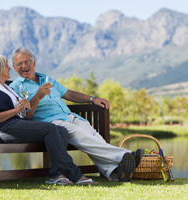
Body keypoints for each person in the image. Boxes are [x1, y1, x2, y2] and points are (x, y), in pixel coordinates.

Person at [10, 47, 144, 182]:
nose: (24, 66)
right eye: (19, 64)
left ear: (34, 63)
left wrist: (93, 99)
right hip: (51, 124)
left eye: (27, 62)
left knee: (93, 136)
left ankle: (115, 172)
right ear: (14, 68)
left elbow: (68, 94)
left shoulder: (47, 78)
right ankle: (125, 155)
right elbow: (26, 115)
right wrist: (38, 96)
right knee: (80, 135)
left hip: (70, 117)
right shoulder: (17, 87)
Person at [0, 54, 98, 185]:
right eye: (6, 65)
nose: (9, 68)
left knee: (61, 130)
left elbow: (21, 113)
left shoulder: (7, 88)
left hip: (17, 125)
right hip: (1, 130)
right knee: (49, 128)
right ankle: (75, 175)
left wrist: (23, 107)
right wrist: (15, 110)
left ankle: (56, 176)